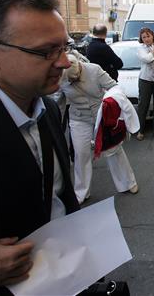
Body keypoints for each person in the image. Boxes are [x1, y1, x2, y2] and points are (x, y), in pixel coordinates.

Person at [0, 0, 79, 294]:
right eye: (46, 52)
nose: (64, 62)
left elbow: (58, 199)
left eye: (64, 47)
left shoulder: (49, 109)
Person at [60, 55, 139, 204]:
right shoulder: (60, 77)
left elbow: (114, 86)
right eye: (69, 81)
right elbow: (58, 102)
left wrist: (110, 100)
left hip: (101, 116)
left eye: (74, 78)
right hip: (79, 119)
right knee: (81, 154)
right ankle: (81, 193)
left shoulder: (94, 69)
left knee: (114, 149)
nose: (71, 82)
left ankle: (128, 183)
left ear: (80, 68)